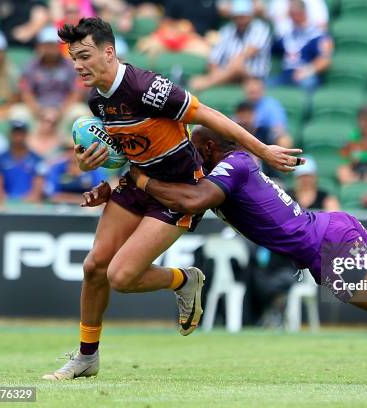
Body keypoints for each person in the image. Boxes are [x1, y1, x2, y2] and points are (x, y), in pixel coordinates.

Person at [84, 125, 367, 386]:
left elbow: (192, 200)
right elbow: (181, 197)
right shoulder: (226, 167)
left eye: (192, 154)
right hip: (332, 228)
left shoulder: (233, 164)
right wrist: (116, 187)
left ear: (206, 149)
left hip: (324, 247)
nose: (188, 161)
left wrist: (137, 177)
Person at [42, 17, 303, 381]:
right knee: (93, 267)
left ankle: (184, 280)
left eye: (84, 55)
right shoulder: (96, 101)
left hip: (177, 192)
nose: (78, 65)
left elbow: (207, 115)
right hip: (137, 183)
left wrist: (262, 149)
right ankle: (87, 357)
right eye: (73, 58)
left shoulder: (146, 87)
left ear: (109, 52)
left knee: (121, 276)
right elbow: (128, 150)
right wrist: (94, 165)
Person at [189, 0, 271, 91]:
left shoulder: (260, 28)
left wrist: (215, 76)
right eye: (237, 17)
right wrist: (217, 72)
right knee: (232, 66)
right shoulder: (227, 30)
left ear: (250, 16)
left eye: (243, 16)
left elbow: (247, 53)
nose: (240, 20)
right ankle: (215, 81)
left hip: (254, 77)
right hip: (228, 74)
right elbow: (213, 59)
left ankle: (206, 84)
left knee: (237, 66)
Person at [18, 26, 85, 125]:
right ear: (40, 46)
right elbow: (26, 92)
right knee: (18, 113)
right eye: (46, 45)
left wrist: (60, 111)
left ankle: (73, 140)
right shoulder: (31, 66)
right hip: (38, 110)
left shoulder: (70, 65)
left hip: (64, 109)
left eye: (53, 45)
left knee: (81, 112)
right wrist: (39, 112)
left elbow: (76, 92)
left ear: (58, 46)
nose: (49, 49)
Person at [268, 0, 333, 92]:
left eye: (296, 14)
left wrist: (307, 71)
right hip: (286, 75)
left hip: (305, 75)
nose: (293, 17)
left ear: (304, 13)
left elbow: (325, 61)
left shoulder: (317, 34)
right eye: (291, 14)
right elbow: (272, 48)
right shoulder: (287, 34)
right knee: (266, 84)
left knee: (307, 83)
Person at [0, 119, 46, 204]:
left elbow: (37, 189)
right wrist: (7, 202)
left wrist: (25, 203)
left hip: (30, 206)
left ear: (26, 134)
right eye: (15, 133)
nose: (18, 136)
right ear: (9, 134)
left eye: (21, 133)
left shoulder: (37, 160)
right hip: (4, 205)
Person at [45, 140, 108, 205]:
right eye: (68, 150)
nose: (73, 153)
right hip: (61, 208)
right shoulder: (57, 167)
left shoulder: (94, 168)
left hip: (88, 209)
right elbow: (53, 195)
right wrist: (83, 199)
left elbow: (100, 194)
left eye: (78, 149)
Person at [243, 76, 292, 146]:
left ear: (263, 90)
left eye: (256, 90)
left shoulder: (271, 105)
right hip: (245, 139)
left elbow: (279, 129)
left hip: (266, 139)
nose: (253, 90)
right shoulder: (242, 106)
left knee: (284, 139)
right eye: (251, 91)